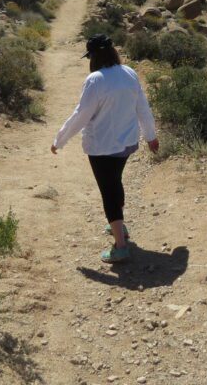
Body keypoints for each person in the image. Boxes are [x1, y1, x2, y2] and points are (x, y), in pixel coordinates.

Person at [51, 34, 158, 263]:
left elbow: (81, 116)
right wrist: (151, 136)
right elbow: (143, 107)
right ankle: (120, 227)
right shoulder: (129, 73)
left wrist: (60, 140)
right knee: (115, 181)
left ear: (93, 56)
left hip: (102, 146)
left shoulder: (95, 80)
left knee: (108, 191)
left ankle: (120, 246)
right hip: (126, 144)